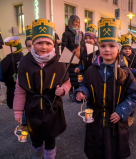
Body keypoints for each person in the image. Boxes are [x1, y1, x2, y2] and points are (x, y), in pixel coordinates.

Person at [73, 18, 136, 159]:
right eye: (103, 46)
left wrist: (122, 111)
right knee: (96, 151)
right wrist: (81, 92)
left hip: (116, 120)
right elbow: (86, 85)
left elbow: (134, 95)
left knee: (115, 151)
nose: (107, 49)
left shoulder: (126, 72)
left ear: (118, 48)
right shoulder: (91, 70)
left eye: (112, 46)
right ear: (99, 47)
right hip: (95, 120)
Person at [13, 19, 71, 159]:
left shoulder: (59, 62)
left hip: (52, 106)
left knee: (50, 137)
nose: (44, 47)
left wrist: (62, 89)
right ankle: (37, 153)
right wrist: (18, 111)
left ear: (53, 44)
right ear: (33, 44)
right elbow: (20, 90)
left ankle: (49, 156)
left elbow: (67, 82)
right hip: (32, 107)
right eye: (39, 43)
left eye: (48, 43)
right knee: (36, 136)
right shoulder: (25, 63)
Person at [120, 33, 136, 126]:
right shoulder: (119, 57)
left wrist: (129, 70)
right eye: (125, 48)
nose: (127, 50)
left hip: (131, 82)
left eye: (129, 48)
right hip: (121, 82)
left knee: (130, 99)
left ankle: (130, 116)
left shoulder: (135, 59)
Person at [61, 15, 84, 100]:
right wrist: (69, 55)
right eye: (75, 21)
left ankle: (78, 91)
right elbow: (64, 47)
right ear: (71, 22)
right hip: (70, 57)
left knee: (78, 75)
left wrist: (79, 51)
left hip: (79, 57)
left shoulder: (81, 33)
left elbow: (83, 45)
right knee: (70, 76)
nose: (77, 23)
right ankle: (71, 92)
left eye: (78, 22)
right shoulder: (66, 33)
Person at [1, 36, 23, 109]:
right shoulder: (25, 59)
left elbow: (1, 77)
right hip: (23, 91)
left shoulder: (4, 61)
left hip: (11, 89)